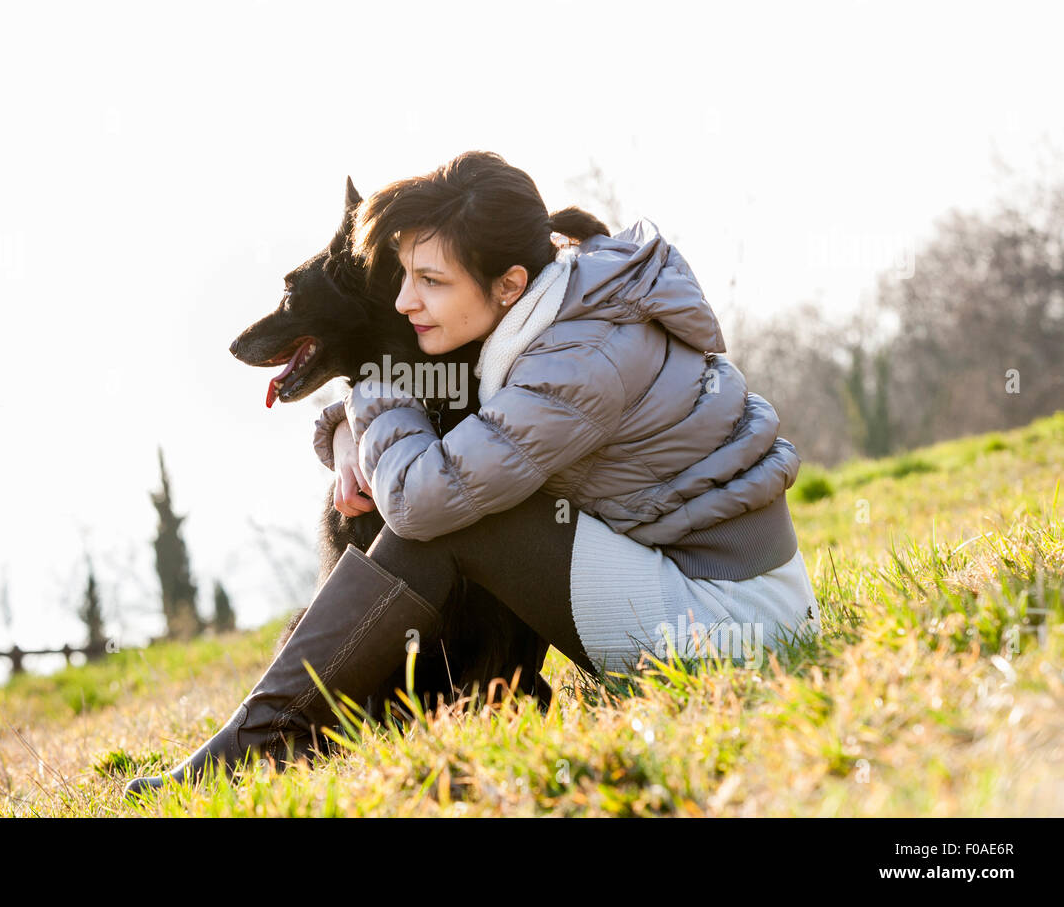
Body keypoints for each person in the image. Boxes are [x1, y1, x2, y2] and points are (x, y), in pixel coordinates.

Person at [123, 150, 820, 799]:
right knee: (454, 497)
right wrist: (344, 434)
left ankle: (256, 739)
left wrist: (373, 383)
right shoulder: (564, 304)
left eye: (430, 282)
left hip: (734, 630)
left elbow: (421, 499)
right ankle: (271, 728)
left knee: (443, 515)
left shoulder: (576, 361)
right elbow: (442, 399)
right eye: (406, 279)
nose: (404, 302)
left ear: (507, 283)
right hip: (705, 587)